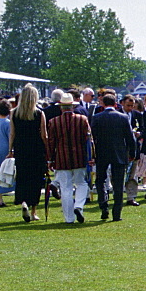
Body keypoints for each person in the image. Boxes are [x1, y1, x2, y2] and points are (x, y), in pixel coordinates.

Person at [47, 92, 94, 223]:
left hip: (62, 159)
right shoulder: (82, 120)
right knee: (81, 183)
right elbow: (89, 140)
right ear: (72, 107)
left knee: (65, 188)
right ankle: (79, 205)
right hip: (79, 157)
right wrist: (92, 156)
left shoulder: (54, 122)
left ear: (61, 107)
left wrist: (50, 159)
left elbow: (51, 142)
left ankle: (69, 218)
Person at [91, 92, 137, 222]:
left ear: (103, 103)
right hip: (119, 153)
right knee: (118, 184)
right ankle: (117, 213)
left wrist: (93, 154)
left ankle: (103, 206)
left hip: (102, 153)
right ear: (115, 103)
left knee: (100, 181)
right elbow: (130, 138)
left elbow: (93, 138)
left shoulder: (96, 117)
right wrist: (132, 153)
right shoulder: (123, 117)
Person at [8, 84, 48, 222]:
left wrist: (10, 150)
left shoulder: (14, 113)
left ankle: (23, 201)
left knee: (22, 176)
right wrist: (47, 149)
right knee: (36, 179)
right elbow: (44, 134)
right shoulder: (39, 113)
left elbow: (12, 133)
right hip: (36, 148)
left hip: (21, 148)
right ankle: (33, 211)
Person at [120, 94, 142, 207]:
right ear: (122, 103)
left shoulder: (137, 115)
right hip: (120, 148)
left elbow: (143, 128)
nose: (130, 108)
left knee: (133, 175)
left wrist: (139, 134)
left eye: (132, 106)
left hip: (134, 148)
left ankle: (131, 197)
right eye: (128, 105)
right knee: (119, 173)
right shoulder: (117, 114)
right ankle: (117, 195)